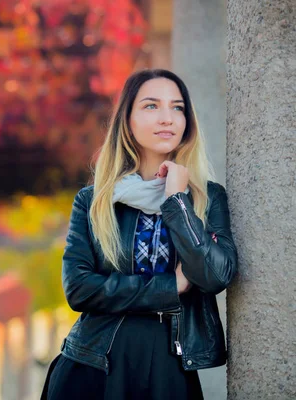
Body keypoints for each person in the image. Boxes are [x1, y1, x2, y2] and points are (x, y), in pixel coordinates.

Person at [41, 69, 238, 400]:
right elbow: (79, 289)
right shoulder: (93, 201)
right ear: (127, 120)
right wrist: (169, 286)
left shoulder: (207, 197)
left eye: (177, 108)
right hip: (93, 363)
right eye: (151, 106)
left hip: (170, 367)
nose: (167, 118)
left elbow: (216, 275)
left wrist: (177, 201)